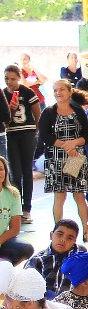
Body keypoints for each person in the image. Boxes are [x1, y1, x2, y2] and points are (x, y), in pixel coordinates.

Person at [37, 79, 88, 228]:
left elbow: (87, 134)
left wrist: (74, 144)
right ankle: (57, 229)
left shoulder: (78, 111)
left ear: (70, 92)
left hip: (75, 158)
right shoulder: (48, 112)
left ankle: (86, 230)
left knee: (78, 195)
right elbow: (44, 136)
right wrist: (66, 146)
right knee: (59, 196)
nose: (58, 93)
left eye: (61, 89)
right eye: (55, 90)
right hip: (56, 159)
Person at [4, 63, 42, 222]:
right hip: (12, 134)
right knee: (14, 172)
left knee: (27, 170)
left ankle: (27, 208)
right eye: (6, 78)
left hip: (27, 133)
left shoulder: (27, 92)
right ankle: (16, 207)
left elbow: (37, 111)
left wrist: (37, 130)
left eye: (13, 79)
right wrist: (11, 109)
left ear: (19, 78)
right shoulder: (3, 94)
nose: (9, 82)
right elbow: (5, 121)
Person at [26, 219, 84, 299]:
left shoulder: (81, 255)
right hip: (46, 305)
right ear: (51, 235)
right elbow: (26, 289)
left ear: (74, 241)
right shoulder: (37, 261)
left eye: (69, 238)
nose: (63, 240)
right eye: (59, 234)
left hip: (75, 304)